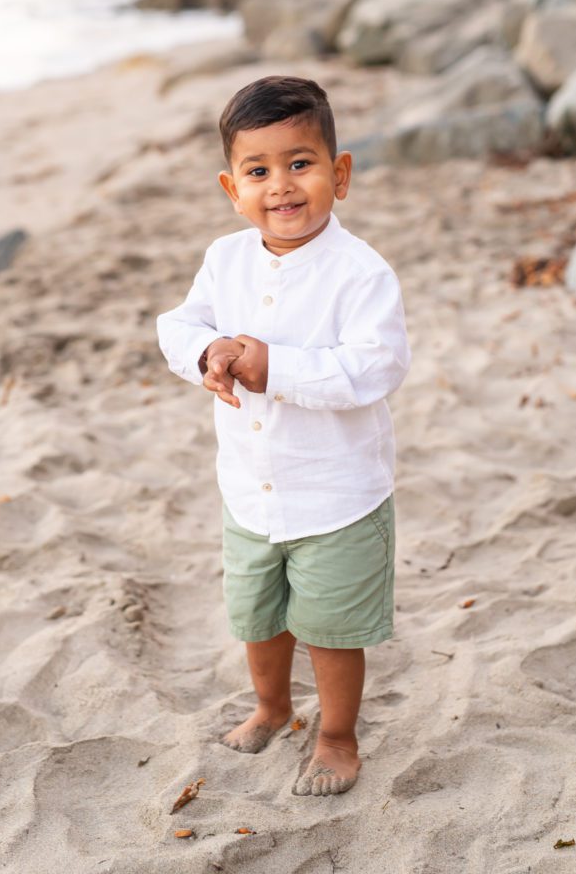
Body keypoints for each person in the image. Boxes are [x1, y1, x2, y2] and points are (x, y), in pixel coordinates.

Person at [157, 75, 410, 797]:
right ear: (230, 188)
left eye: (300, 163)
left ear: (340, 173)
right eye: (257, 171)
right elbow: (178, 324)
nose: (280, 186)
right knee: (258, 616)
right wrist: (205, 354)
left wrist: (274, 367)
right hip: (248, 491)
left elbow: (376, 367)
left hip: (337, 496)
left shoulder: (360, 273)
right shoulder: (224, 259)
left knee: (330, 628)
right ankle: (271, 706)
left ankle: (335, 733)